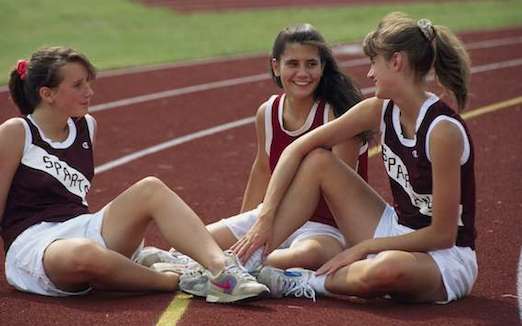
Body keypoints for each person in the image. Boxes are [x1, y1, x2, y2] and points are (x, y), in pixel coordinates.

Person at [233, 12, 477, 304]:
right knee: (318, 162)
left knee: (387, 269)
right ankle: (245, 262)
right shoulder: (378, 109)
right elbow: (297, 149)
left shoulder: (442, 132)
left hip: (443, 257)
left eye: (374, 63)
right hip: (395, 227)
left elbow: (442, 235)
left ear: (396, 62)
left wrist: (363, 248)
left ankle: (301, 281)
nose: (371, 74)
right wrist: (264, 219)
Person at [0, 46, 268, 303]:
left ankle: (223, 271)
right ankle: (173, 279)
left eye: (88, 83)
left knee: (151, 188)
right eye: (78, 85)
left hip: (80, 226)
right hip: (34, 244)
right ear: (47, 94)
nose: (89, 92)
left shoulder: (85, 126)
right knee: (84, 254)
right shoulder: (16, 132)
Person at [143, 23, 368, 300]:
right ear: (276, 66)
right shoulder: (269, 112)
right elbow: (262, 170)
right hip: (271, 215)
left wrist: (351, 247)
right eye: (292, 64)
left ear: (323, 67)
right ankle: (218, 265)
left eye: (311, 64)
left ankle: (231, 268)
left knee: (307, 254)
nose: (302, 73)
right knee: (193, 243)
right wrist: (247, 223)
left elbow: (342, 191)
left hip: (324, 227)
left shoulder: (337, 114)